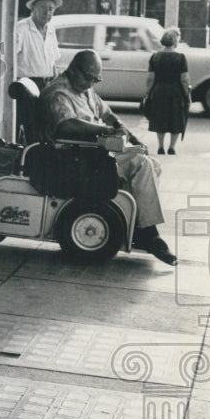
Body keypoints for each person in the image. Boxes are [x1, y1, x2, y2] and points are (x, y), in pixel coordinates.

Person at [40, 50, 178, 266]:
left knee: (152, 163)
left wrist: (127, 134)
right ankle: (149, 233)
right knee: (140, 164)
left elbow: (107, 113)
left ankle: (137, 225)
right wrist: (103, 131)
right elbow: (66, 125)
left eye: (96, 79)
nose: (91, 83)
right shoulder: (59, 93)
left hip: (93, 152)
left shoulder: (84, 88)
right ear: (74, 69)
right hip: (72, 157)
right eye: (89, 78)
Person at [14, 0, 62, 143]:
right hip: (27, 86)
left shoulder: (51, 29)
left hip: (47, 86)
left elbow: (53, 60)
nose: (47, 13)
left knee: (45, 129)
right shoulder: (21, 28)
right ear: (33, 8)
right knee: (29, 128)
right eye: (43, 8)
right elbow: (10, 58)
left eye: (51, 9)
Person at [144, 27, 191, 156]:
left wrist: (148, 93)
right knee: (176, 119)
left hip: (159, 91)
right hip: (176, 92)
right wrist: (187, 94)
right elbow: (184, 79)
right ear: (175, 41)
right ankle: (171, 147)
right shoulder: (180, 58)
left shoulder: (155, 57)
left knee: (160, 118)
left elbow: (150, 78)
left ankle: (160, 146)